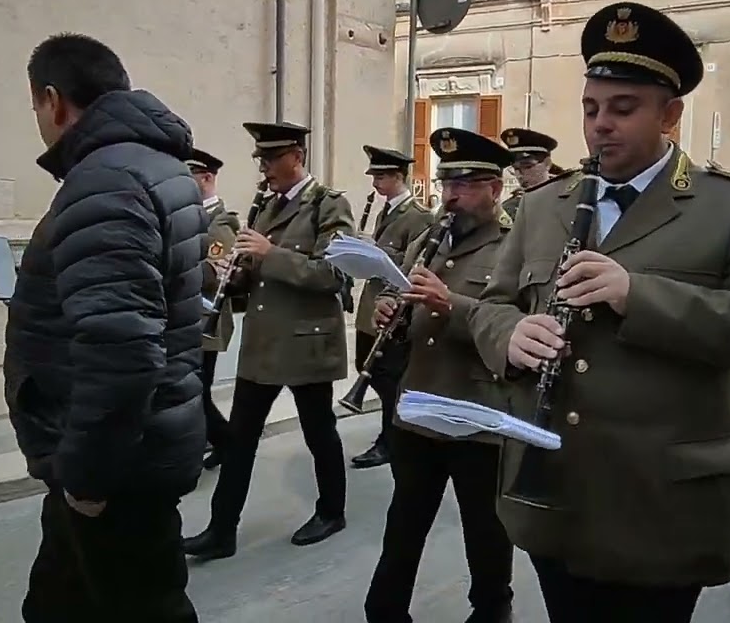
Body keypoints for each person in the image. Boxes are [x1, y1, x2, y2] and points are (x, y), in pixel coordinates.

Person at [466, 1, 730, 622]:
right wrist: (510, 333)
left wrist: (638, 295)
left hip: (660, 502)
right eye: (591, 109)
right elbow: (492, 304)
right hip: (552, 486)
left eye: (624, 109)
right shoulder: (546, 206)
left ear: (671, 114)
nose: (601, 125)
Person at [5, 33, 204, 622]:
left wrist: (87, 479)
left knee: (142, 606)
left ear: (53, 99)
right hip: (125, 449)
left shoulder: (106, 181)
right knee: (59, 604)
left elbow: (123, 349)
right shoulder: (153, 168)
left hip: (114, 467)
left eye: (36, 107)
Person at [182, 121, 355, 560]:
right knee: (239, 439)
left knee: (319, 432)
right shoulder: (264, 206)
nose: (265, 169)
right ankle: (222, 529)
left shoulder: (328, 205)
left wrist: (269, 254)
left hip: (305, 343)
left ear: (297, 156)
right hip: (263, 344)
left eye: (272, 159)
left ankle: (332, 511)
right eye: (261, 160)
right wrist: (236, 274)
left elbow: (332, 275)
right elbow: (256, 275)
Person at [364, 127, 517, 623]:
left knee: (485, 531)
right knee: (404, 522)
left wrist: (452, 304)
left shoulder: (513, 247)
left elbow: (516, 327)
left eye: (467, 184)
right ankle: (385, 610)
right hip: (418, 408)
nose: (452, 195)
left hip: (478, 413)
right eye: (448, 182)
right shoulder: (431, 238)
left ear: (495, 189)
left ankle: (492, 611)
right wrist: (390, 312)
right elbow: (410, 315)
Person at [350, 145, 433, 470]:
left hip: (394, 312)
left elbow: (414, 263)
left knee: (389, 379)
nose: (375, 184)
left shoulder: (419, 216)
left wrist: (378, 255)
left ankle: (391, 439)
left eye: (381, 176)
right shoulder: (385, 211)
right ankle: (393, 433)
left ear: (398, 176)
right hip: (372, 305)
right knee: (366, 366)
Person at [185, 148, 238, 470]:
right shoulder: (194, 217)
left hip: (207, 318)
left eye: (189, 176)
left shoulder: (219, 221)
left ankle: (229, 444)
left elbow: (218, 272)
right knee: (193, 392)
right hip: (192, 316)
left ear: (206, 178)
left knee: (198, 393)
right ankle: (224, 444)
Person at [499, 128, 567, 221]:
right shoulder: (509, 209)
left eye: (527, 167)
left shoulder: (566, 201)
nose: (519, 175)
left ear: (547, 164)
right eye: (515, 169)